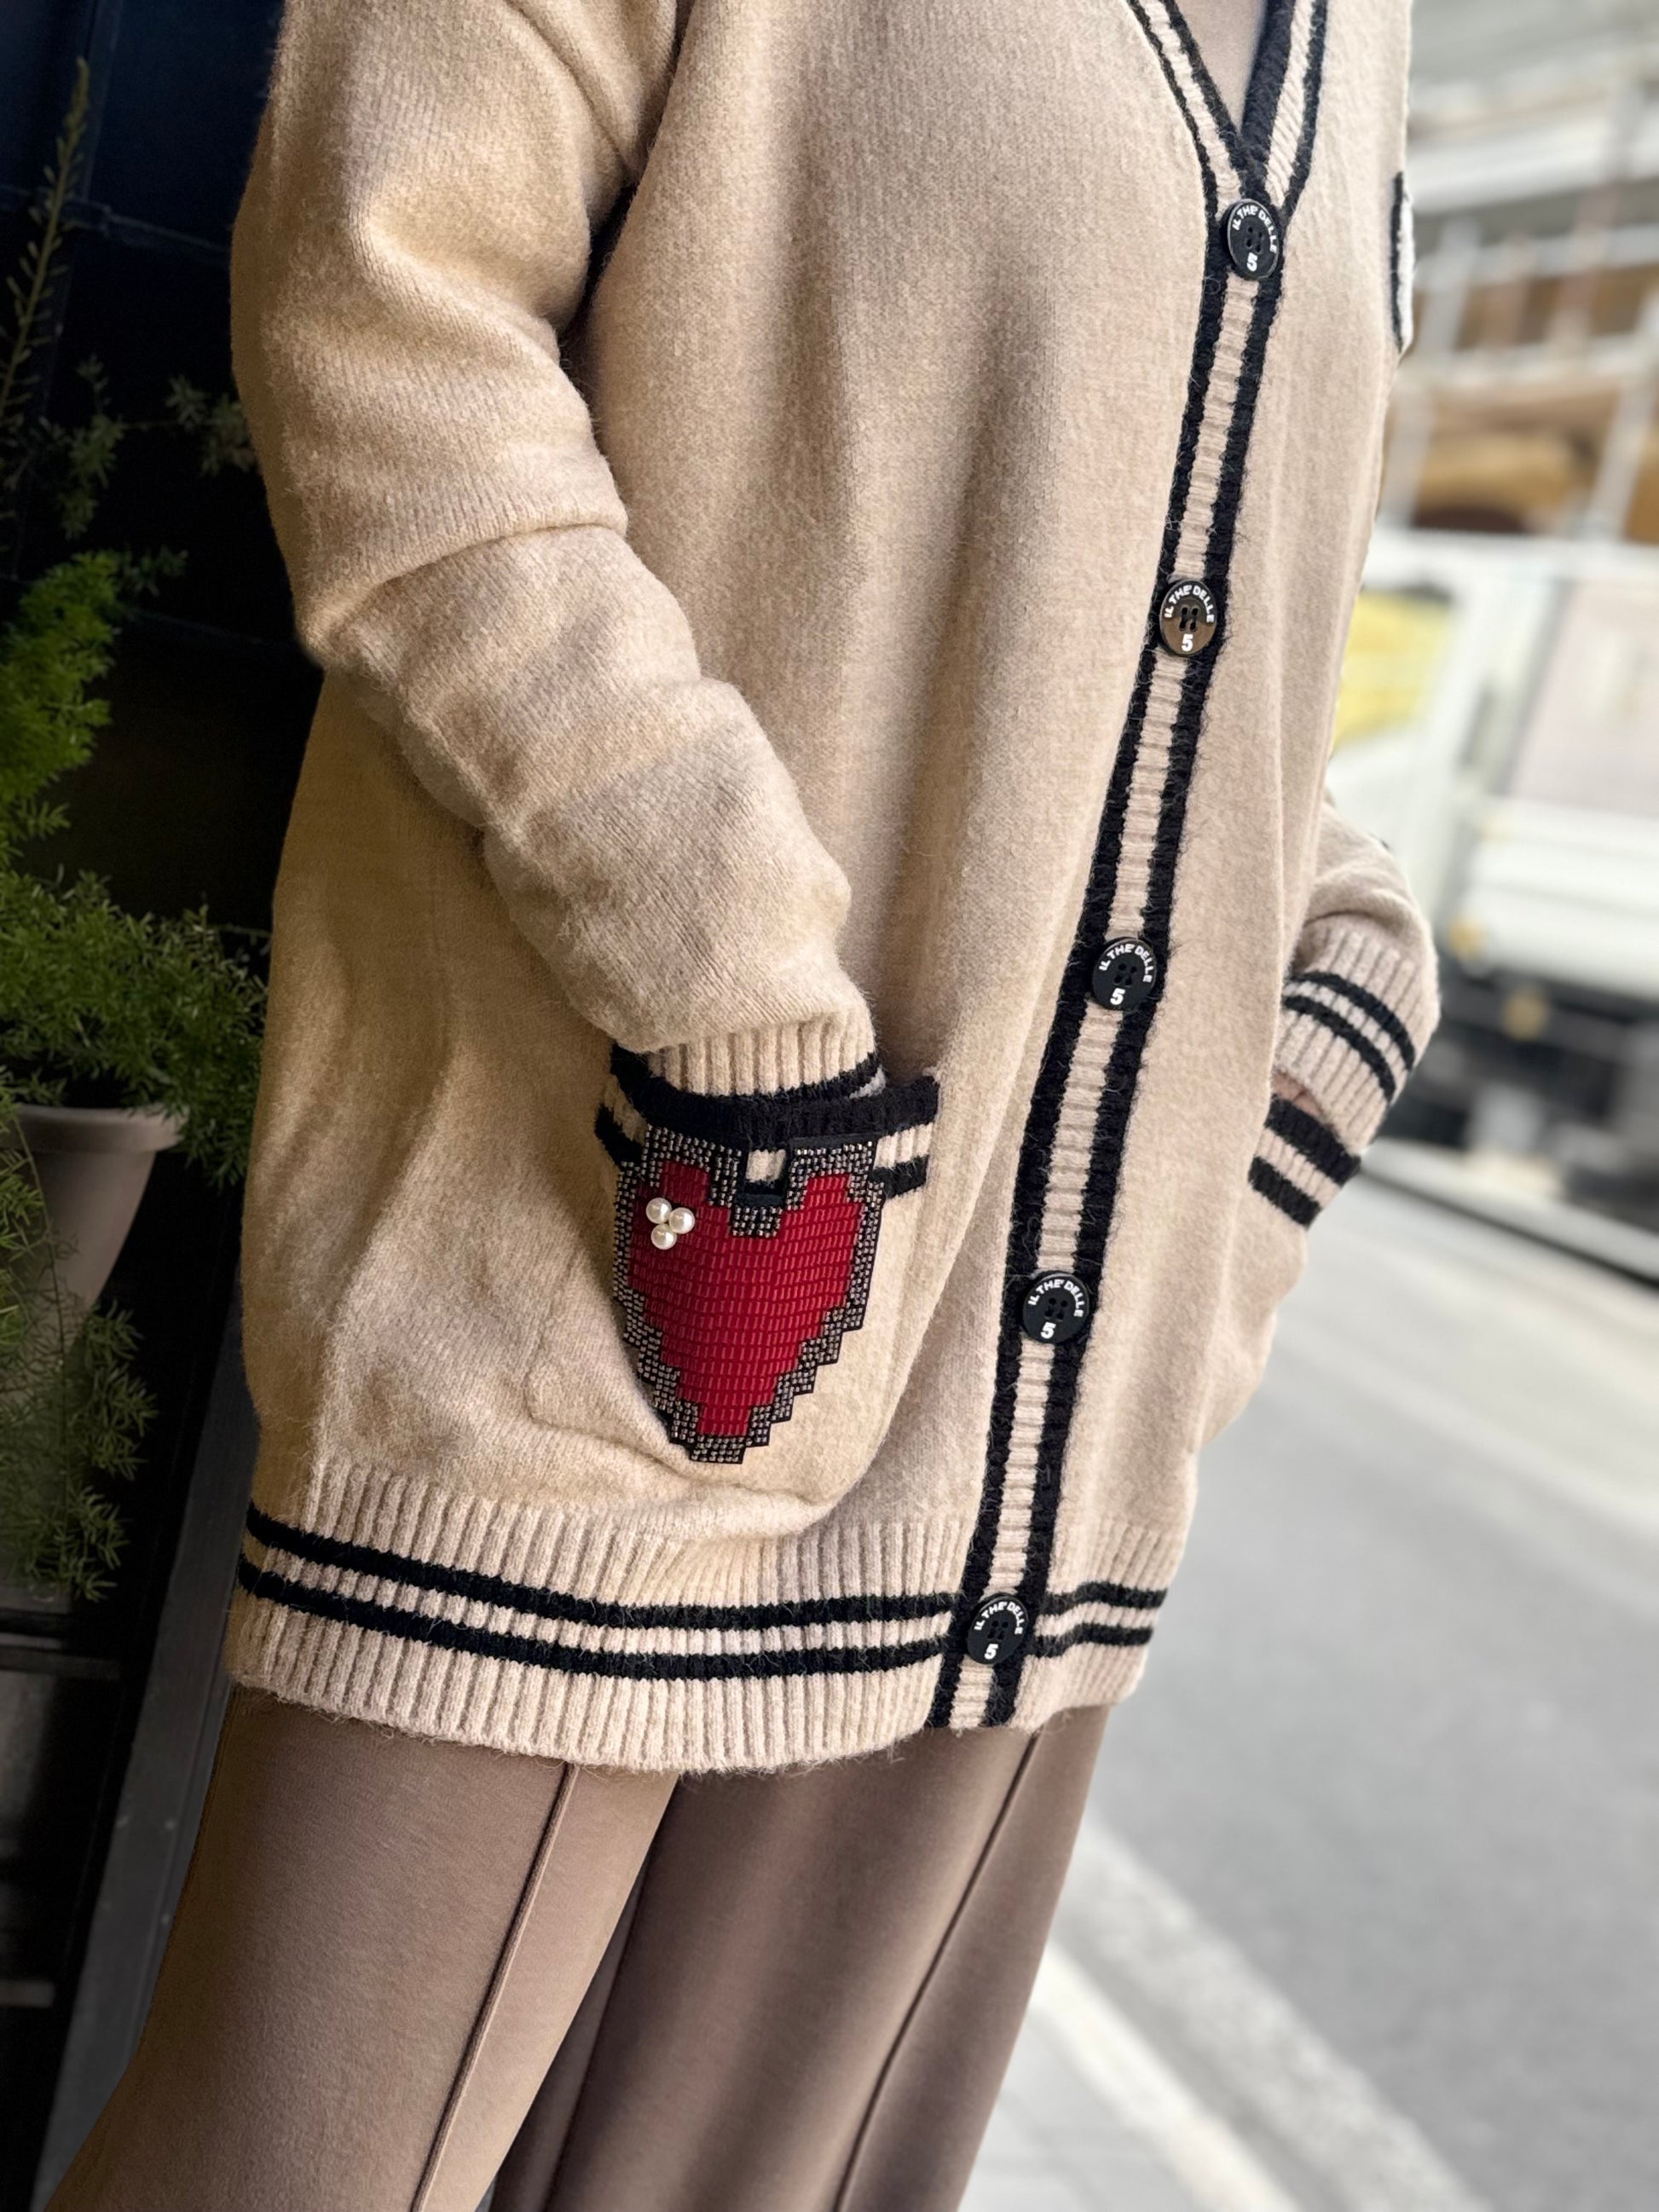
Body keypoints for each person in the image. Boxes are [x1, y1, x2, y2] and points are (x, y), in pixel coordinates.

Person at [49, 1, 1436, 2206]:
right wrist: (737, 1011)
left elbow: (1183, 622)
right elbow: (393, 334)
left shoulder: (1367, 41)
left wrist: (1326, 1008)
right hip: (624, 1291)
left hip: (1028, 1473)